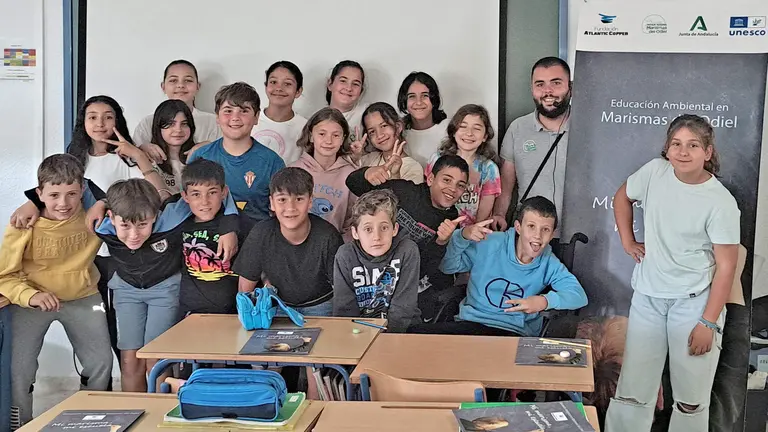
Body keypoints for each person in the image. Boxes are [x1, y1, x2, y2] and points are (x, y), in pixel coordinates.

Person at [10, 95, 168, 366]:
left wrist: (138, 156)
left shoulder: (127, 159)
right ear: (82, 122)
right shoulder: (75, 160)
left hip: (123, 252)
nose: (100, 123)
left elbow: (156, 195)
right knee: (102, 325)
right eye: (92, 117)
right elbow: (54, 191)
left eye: (108, 116)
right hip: (89, 254)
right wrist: (31, 203)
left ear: (117, 120)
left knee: (122, 325)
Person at [605, 115, 740, 432]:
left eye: (693, 145)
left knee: (691, 399)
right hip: (648, 300)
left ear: (707, 152)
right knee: (633, 393)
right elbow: (622, 197)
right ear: (667, 149)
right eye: (676, 144)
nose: (683, 152)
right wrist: (627, 240)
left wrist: (707, 321)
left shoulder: (720, 202)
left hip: (693, 306)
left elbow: (727, 267)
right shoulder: (654, 172)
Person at [93, 179, 238, 392]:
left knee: (156, 358)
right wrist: (101, 202)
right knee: (129, 361)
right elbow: (79, 191)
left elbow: (219, 193)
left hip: (165, 291)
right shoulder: (101, 226)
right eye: (125, 225)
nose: (134, 235)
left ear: (156, 215)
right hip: (126, 292)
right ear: (111, 218)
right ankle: (134, 415)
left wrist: (230, 228)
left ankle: (159, 413)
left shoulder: (172, 216)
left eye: (143, 224)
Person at [1, 154, 112, 428]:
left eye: (72, 194)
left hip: (83, 296)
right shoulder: (23, 223)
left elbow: (127, 200)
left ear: (82, 191)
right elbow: (3, 276)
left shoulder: (93, 218)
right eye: (54, 195)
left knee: (101, 363)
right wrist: (31, 295)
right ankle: (20, 423)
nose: (63, 203)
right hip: (31, 302)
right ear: (39, 194)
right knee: (20, 369)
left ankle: (92, 418)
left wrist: (104, 202)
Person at [411, 196, 587, 336]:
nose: (537, 236)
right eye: (531, 226)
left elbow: (579, 296)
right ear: (518, 227)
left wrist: (544, 301)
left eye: (545, 230)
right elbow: (448, 267)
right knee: (413, 334)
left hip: (512, 333)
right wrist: (462, 236)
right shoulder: (491, 242)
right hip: (471, 325)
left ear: (552, 233)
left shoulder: (549, 263)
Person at [346, 154, 470, 322]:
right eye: (446, 180)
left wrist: (441, 242)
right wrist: (367, 173)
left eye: (460, 185)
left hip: (407, 283)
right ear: (431, 179)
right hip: (372, 273)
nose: (453, 189)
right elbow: (353, 184)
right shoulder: (406, 191)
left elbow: (430, 268)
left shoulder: (452, 219)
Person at [235, 167, 343, 315]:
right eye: (282, 200)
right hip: (277, 305)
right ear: (272, 203)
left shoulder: (328, 236)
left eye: (299, 199)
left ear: (310, 201)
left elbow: (342, 288)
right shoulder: (261, 233)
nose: (290, 208)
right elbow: (244, 289)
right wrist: (247, 315)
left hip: (321, 304)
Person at [187, 81, 285, 234]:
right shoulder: (201, 156)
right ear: (217, 117)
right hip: (208, 243)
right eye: (228, 110)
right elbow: (189, 206)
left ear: (256, 117)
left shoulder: (272, 162)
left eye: (244, 111)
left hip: (255, 242)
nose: (235, 117)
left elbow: (280, 212)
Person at [496, 57, 572, 232]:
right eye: (540, 84)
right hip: (530, 236)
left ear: (571, 87)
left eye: (556, 83)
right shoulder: (517, 129)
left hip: (580, 236)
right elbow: (506, 188)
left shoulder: (589, 129)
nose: (548, 91)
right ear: (532, 89)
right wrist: (499, 215)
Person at [333, 189, 421, 332]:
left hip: (402, 331)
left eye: (384, 228)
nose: (377, 237)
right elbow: (344, 309)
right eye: (368, 229)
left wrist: (387, 339)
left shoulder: (407, 250)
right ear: (355, 232)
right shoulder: (345, 256)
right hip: (359, 332)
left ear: (395, 229)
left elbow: (403, 308)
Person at [178, 159, 241, 319]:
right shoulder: (179, 224)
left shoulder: (238, 225)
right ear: (185, 196)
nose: (204, 201)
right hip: (191, 314)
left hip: (233, 314)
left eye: (212, 192)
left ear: (224, 192)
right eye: (196, 194)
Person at [425, 104, 501, 228]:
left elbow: (484, 211)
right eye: (463, 126)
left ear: (485, 136)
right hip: (437, 228)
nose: (469, 133)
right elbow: (427, 193)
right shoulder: (437, 159)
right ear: (454, 131)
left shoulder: (489, 168)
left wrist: (472, 232)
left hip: (471, 234)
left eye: (476, 128)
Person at [133, 59, 220, 160]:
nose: (180, 85)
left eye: (188, 80)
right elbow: (133, 158)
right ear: (163, 87)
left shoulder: (214, 122)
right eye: (173, 80)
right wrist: (141, 149)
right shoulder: (148, 123)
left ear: (198, 86)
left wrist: (212, 146)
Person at [290, 107, 357, 238]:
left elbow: (353, 221)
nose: (328, 141)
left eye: (336, 135)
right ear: (311, 136)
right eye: (322, 134)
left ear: (343, 139)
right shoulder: (293, 171)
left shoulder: (351, 175)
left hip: (334, 249)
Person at [251, 61, 307, 165]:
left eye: (287, 84)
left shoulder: (305, 127)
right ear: (266, 86)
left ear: (298, 91)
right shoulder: (250, 119)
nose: (279, 88)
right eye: (273, 82)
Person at [359, 102, 424, 184]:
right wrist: (355, 156)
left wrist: (395, 175)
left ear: (398, 127)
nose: (379, 135)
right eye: (372, 132)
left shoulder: (413, 167)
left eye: (384, 126)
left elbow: (407, 196)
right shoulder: (368, 160)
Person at [397, 72, 449, 167]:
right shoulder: (399, 133)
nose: (419, 102)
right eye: (412, 96)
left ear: (434, 99)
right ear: (404, 101)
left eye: (425, 95)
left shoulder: (449, 128)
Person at [150, 99, 197, 194]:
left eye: (184, 124)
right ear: (158, 127)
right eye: (171, 124)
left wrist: (208, 145)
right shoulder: (149, 158)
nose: (178, 130)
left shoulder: (200, 154)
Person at [326, 60, 367, 142]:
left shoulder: (369, 114)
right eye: (343, 81)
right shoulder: (316, 119)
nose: (349, 88)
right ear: (330, 84)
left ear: (361, 91)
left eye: (355, 84)